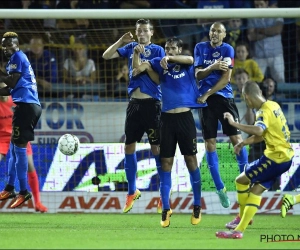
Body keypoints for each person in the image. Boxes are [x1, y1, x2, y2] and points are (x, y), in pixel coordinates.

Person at [132, 37, 206, 227]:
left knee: (191, 161)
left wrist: (171, 59)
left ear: (179, 49)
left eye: (173, 48)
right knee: (165, 163)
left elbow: (190, 60)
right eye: (167, 48)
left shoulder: (186, 63)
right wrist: (139, 58)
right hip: (166, 119)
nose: (169, 51)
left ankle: (197, 205)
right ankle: (165, 208)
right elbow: (138, 69)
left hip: (185, 118)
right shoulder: (159, 63)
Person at [216, 80, 294, 239]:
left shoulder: (262, 112)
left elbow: (259, 129)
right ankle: (239, 230)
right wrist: (244, 142)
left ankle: (241, 219)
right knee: (256, 191)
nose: (246, 102)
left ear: (247, 97)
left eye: (245, 99)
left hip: (274, 159)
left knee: (240, 181)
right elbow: (262, 134)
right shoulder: (274, 105)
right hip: (286, 159)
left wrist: (233, 123)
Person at [102, 19, 165, 213]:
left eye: (145, 30)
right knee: (129, 146)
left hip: (152, 104)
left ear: (151, 33)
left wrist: (145, 65)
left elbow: (161, 76)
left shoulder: (158, 51)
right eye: (139, 30)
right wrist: (121, 40)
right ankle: (131, 191)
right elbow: (106, 56)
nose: (142, 33)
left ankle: (164, 194)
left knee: (156, 148)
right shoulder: (130, 47)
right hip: (134, 104)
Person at [194, 22, 248, 208]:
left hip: (223, 98)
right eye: (212, 30)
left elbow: (227, 78)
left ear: (224, 34)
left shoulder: (228, 49)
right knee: (210, 143)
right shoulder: (200, 47)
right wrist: (212, 67)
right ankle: (220, 188)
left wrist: (207, 93)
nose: (214, 33)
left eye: (218, 31)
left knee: (237, 140)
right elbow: (198, 75)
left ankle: (245, 183)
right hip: (205, 102)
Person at [0, 31, 42, 209]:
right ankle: (10, 188)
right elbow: (9, 90)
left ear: (16, 45)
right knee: (15, 149)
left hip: (27, 106)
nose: (6, 49)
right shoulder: (13, 62)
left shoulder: (18, 57)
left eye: (9, 45)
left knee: (20, 150)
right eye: (3, 46)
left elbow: (12, 81)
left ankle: (23, 192)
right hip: (24, 106)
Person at [0, 94, 47, 212]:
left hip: (18, 136)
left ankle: (38, 203)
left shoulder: (16, 101)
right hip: (1, 139)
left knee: (30, 166)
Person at [247, 0, 285, 84]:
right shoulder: (252, 15)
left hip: (276, 54)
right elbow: (251, 36)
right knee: (256, 82)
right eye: (257, 5)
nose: (259, 7)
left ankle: (282, 97)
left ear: (267, 3)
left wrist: (259, 30)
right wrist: (269, 32)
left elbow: (277, 30)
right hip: (259, 55)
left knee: (280, 80)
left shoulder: (276, 12)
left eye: (261, 4)